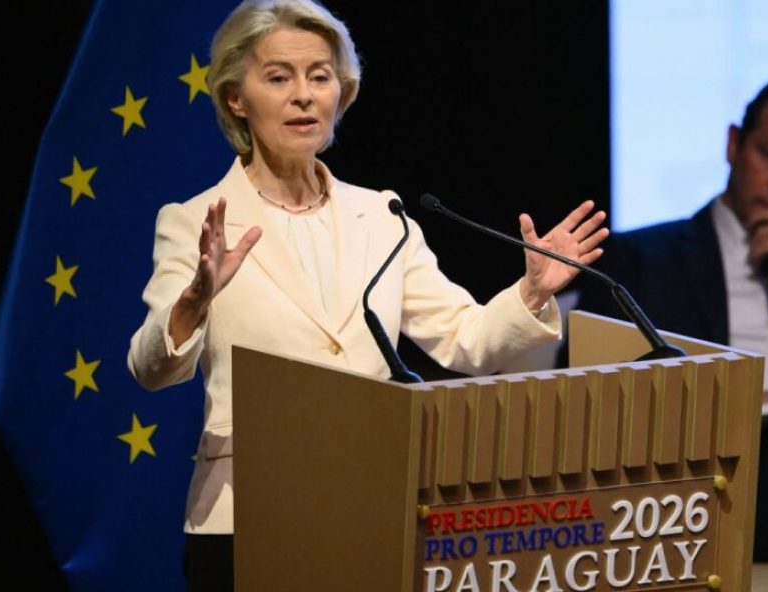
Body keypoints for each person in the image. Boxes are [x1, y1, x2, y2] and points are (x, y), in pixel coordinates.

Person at [127, 1, 608, 590]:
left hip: (377, 506)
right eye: (278, 77)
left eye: (320, 76)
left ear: (341, 93)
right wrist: (195, 301)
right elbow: (152, 370)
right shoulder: (194, 220)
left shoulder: (384, 216)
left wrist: (531, 291)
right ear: (236, 97)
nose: (304, 95)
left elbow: (467, 340)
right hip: (247, 515)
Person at [572, 76, 768, 590]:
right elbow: (597, 401)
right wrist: (744, 401)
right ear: (734, 144)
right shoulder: (641, 260)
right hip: (720, 483)